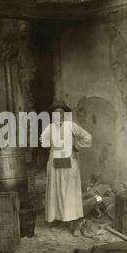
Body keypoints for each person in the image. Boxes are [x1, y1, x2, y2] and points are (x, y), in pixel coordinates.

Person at [40, 101, 92, 236]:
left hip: (69, 162)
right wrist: (53, 148)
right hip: (55, 163)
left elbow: (87, 137)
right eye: (56, 113)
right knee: (56, 191)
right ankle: (60, 221)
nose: (59, 116)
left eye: (61, 113)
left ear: (64, 115)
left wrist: (76, 147)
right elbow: (43, 141)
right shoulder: (50, 128)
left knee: (70, 192)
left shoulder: (71, 126)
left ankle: (74, 224)